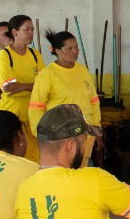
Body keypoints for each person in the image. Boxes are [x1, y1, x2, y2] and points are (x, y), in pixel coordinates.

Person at [28, 29, 101, 157]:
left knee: (84, 171)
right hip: (59, 137)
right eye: (69, 48)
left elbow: (94, 101)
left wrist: (97, 130)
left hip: (86, 134)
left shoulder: (83, 71)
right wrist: (41, 135)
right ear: (57, 51)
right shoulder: (47, 74)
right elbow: (36, 108)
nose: (75, 51)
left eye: (76, 47)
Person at [0, 14, 41, 160]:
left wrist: (23, 86)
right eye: (27, 29)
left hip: (33, 116)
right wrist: (33, 85)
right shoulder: (4, 55)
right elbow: (9, 88)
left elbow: (44, 84)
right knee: (13, 158)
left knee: (34, 160)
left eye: (32, 29)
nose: (31, 33)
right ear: (15, 32)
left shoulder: (35, 54)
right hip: (11, 117)